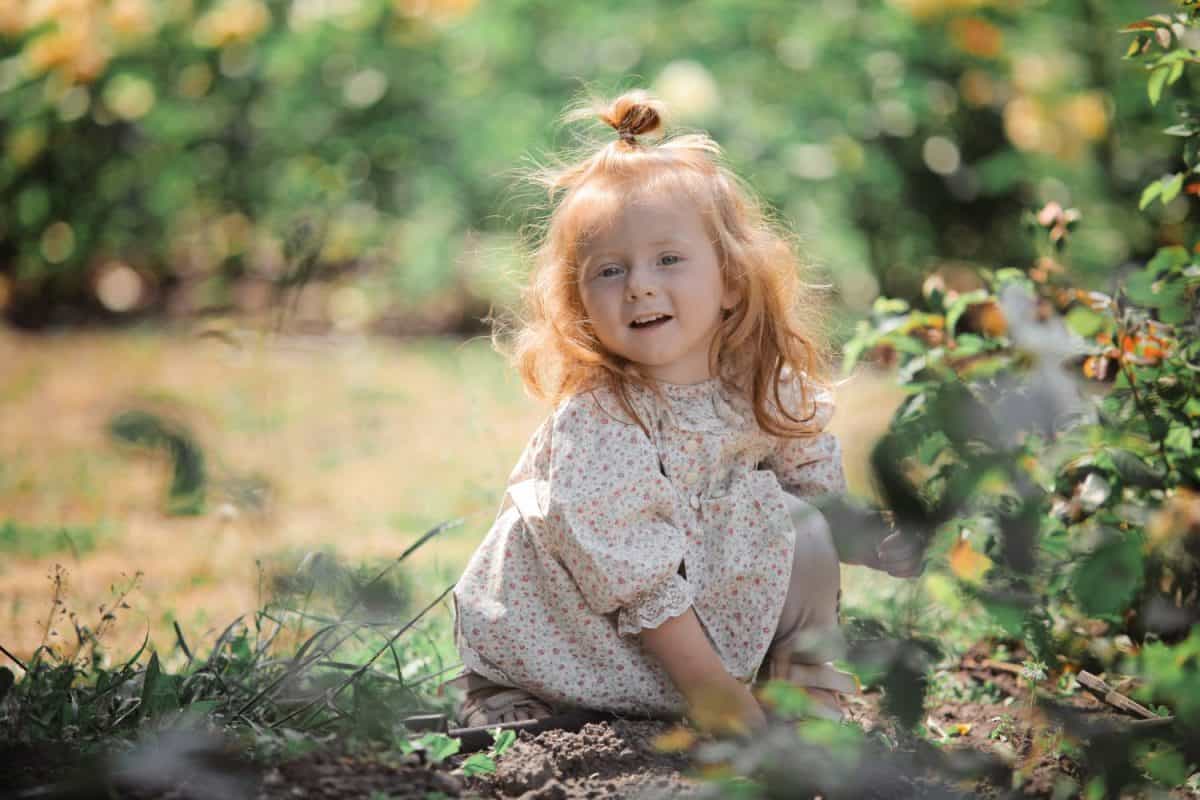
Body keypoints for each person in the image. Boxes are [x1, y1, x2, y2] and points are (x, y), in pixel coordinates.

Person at [445, 89, 922, 734]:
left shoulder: (760, 389)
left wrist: (880, 541)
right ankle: (505, 691)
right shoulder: (603, 417)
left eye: (668, 259)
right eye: (609, 271)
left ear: (729, 280)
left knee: (805, 526)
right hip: (574, 628)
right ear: (579, 300)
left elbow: (817, 497)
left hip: (694, 607)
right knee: (549, 686)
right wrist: (712, 693)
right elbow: (633, 576)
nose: (639, 284)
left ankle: (805, 704)